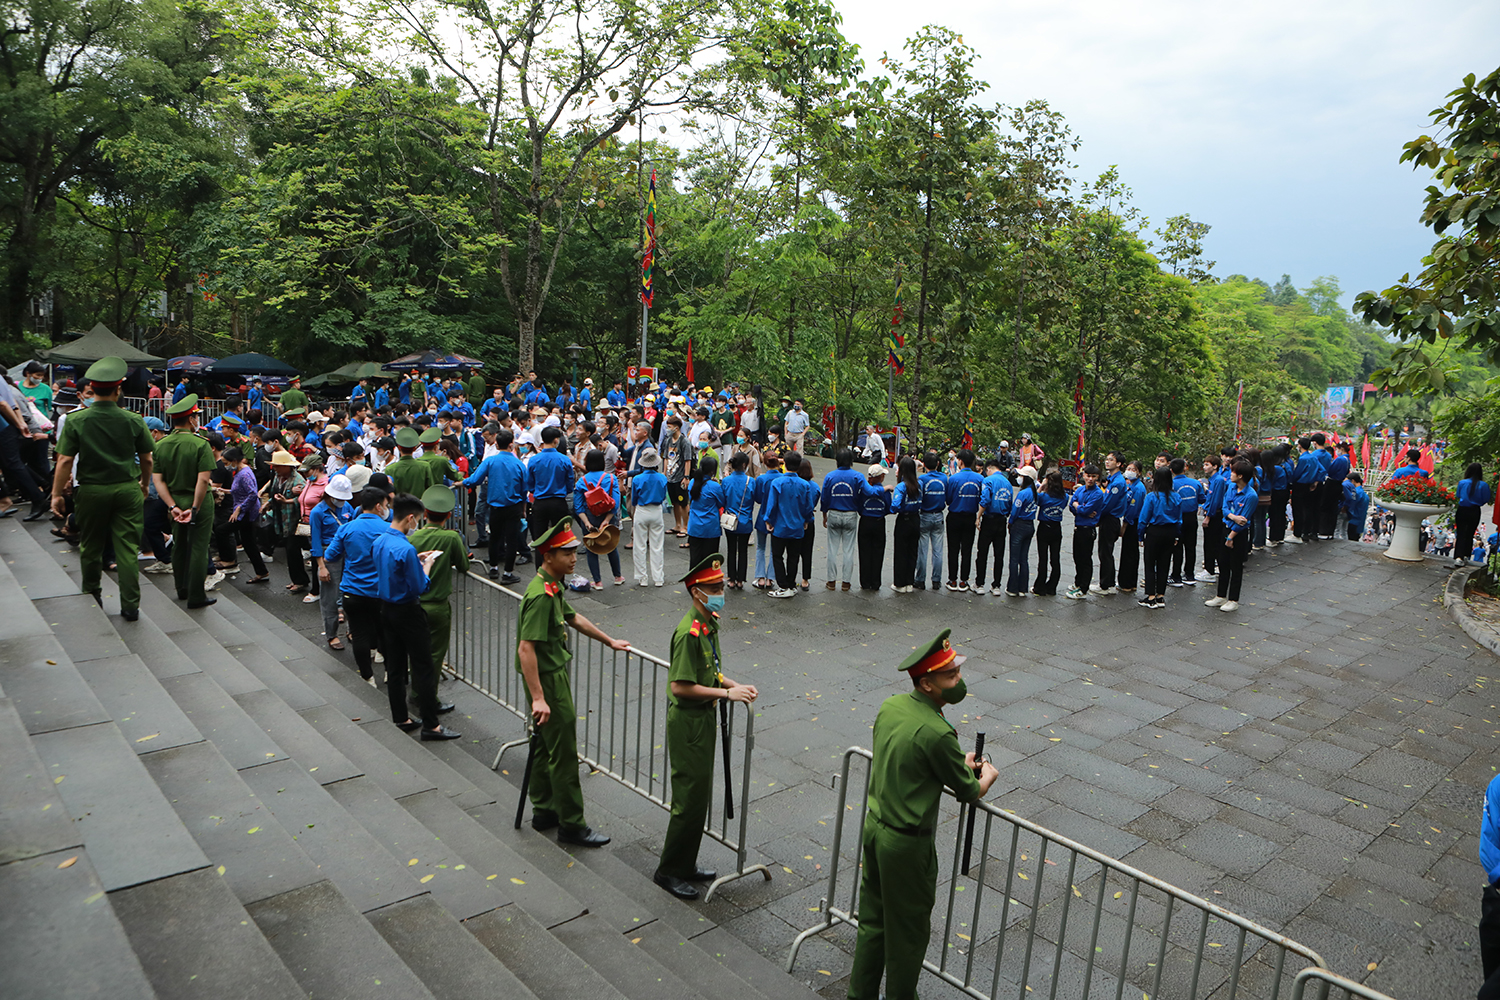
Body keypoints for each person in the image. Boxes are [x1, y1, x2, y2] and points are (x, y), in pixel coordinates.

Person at [847, 628, 1000, 1000]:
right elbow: (968, 790)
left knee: (872, 922)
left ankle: (859, 994)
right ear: (928, 684)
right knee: (908, 935)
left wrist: (951, 763)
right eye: (950, 676)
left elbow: (908, 757)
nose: (958, 681)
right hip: (906, 846)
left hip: (875, 828)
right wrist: (987, 777)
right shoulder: (937, 732)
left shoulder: (891, 707)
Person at [517, 518, 631, 846]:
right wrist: (539, 697)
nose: (574, 557)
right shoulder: (540, 595)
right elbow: (527, 648)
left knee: (543, 743)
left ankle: (544, 810)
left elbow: (572, 617)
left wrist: (609, 640)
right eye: (566, 552)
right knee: (564, 751)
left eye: (573, 551)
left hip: (550, 673)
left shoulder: (551, 585)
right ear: (547, 556)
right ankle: (572, 824)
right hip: (547, 679)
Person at [653, 555, 759, 900]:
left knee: (699, 798)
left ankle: (686, 862)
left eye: (721, 585)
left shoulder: (707, 623)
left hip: (703, 718)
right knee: (688, 799)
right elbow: (680, 686)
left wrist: (731, 684)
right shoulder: (689, 632)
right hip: (689, 722)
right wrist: (727, 692)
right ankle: (669, 870)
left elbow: (708, 671)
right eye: (714, 588)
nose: (721, 592)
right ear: (696, 592)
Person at [50, 358, 154, 620]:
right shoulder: (133, 420)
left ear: (91, 391)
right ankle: (130, 606)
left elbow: (63, 460)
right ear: (118, 390)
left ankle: (92, 594)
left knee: (91, 545)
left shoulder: (76, 420)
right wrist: (143, 483)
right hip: (127, 489)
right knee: (128, 550)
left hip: (91, 490)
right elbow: (148, 458)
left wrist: (55, 494)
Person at [373, 492, 459, 740]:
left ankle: (401, 716)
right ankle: (432, 726)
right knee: (423, 666)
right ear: (411, 518)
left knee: (396, 667)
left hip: (386, 608)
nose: (416, 524)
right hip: (408, 610)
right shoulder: (405, 548)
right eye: (417, 520)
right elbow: (420, 586)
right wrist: (426, 565)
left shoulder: (380, 541)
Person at [151, 394, 217, 609]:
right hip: (198, 500)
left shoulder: (162, 444)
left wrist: (172, 505)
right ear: (191, 419)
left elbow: (158, 480)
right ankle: (196, 595)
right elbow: (203, 479)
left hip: (174, 500)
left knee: (179, 545)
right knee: (198, 547)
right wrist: (195, 508)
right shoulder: (200, 444)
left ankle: (181, 588)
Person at [325, 486, 394, 684]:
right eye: (386, 504)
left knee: (359, 635)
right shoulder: (388, 529)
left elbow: (330, 555)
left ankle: (367, 677)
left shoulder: (347, 528)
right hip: (381, 592)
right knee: (385, 633)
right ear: (379, 506)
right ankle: (391, 672)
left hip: (352, 591)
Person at [409, 484, 469, 683]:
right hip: (438, 605)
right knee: (435, 654)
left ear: (425, 512)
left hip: (415, 604)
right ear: (449, 514)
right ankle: (427, 696)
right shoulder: (451, 537)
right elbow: (464, 565)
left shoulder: (413, 538)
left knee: (416, 651)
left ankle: (417, 688)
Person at [464, 428, 527, 582]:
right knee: (511, 539)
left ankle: (493, 569)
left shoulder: (490, 461)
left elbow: (475, 480)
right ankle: (508, 573)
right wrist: (523, 509)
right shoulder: (519, 464)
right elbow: (525, 489)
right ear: (511, 444)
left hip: (495, 507)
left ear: (497, 445)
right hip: (514, 506)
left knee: (495, 537)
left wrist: (462, 482)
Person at [762, 451, 818, 598]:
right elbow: (808, 507)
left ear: (784, 464)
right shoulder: (805, 485)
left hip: (780, 527)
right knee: (793, 557)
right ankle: (791, 583)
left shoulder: (777, 483)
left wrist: (768, 520)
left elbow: (772, 505)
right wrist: (807, 521)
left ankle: (783, 585)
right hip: (798, 527)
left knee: (777, 556)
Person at [1205, 459, 1257, 613]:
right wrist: (1233, 517)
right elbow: (1225, 509)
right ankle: (1220, 595)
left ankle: (1233, 599)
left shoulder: (1251, 495)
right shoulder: (1231, 487)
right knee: (1222, 563)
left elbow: (1244, 521)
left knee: (1236, 566)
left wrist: (1231, 537)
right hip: (1226, 528)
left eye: (1233, 472)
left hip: (1238, 534)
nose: (1230, 474)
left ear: (1241, 475)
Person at [312, 474, 355, 649]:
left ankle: (352, 629)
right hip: (328, 554)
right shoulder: (318, 512)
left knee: (352, 593)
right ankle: (331, 634)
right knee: (330, 597)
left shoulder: (347, 507)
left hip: (349, 553)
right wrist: (321, 567)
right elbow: (315, 542)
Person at [574, 449, 624, 588]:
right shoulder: (611, 478)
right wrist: (607, 520)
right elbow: (616, 503)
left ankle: (597, 581)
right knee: (611, 545)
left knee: (591, 549)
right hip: (607, 516)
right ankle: (618, 576)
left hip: (589, 516)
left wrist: (587, 523)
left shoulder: (581, 481)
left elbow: (578, 507)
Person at [1139, 466, 1181, 609]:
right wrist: (1176, 535)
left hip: (1155, 531)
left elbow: (1144, 518)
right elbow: (1179, 519)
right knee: (1164, 563)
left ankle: (1150, 596)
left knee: (1150, 563)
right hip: (1170, 532)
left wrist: (1140, 535)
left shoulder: (1152, 497)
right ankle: (1160, 595)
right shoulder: (1176, 497)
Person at [821, 448, 863, 591]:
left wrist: (824, 515)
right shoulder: (857, 476)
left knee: (832, 549)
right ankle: (846, 582)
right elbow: (865, 492)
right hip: (851, 514)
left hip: (834, 513)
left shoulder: (830, 476)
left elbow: (824, 497)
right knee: (848, 550)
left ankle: (831, 581)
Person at [944, 450, 983, 591]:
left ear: (960, 461)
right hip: (970, 516)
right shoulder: (979, 479)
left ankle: (952, 580)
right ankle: (963, 581)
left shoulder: (953, 479)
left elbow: (948, 499)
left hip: (954, 516)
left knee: (953, 549)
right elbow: (982, 499)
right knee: (967, 549)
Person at [1063, 464, 1103, 600]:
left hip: (1088, 529)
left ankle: (1083, 587)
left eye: (1093, 477)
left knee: (1085, 559)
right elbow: (1072, 506)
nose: (1090, 479)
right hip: (1078, 527)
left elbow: (1085, 510)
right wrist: (1079, 507)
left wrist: (1079, 507)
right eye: (1088, 476)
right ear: (1083, 475)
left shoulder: (1097, 494)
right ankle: (1078, 582)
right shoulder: (1080, 490)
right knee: (1077, 557)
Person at [631, 449, 669, 586]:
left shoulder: (637, 478)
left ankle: (642, 577)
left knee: (639, 545)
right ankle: (658, 577)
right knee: (657, 546)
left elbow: (634, 498)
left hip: (642, 510)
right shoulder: (662, 478)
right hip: (657, 511)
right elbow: (664, 496)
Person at [975, 456, 1011, 596]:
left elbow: (985, 499)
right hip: (1001, 520)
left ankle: (979, 583)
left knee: (982, 552)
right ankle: (996, 585)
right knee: (999, 554)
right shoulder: (1007, 483)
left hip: (989, 519)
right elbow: (1009, 503)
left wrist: (978, 516)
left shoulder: (988, 480)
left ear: (989, 469)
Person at [720, 452, 756, 589]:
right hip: (745, 520)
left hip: (730, 520)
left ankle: (731, 579)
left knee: (731, 549)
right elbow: (756, 498)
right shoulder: (750, 481)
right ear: (745, 465)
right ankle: (741, 579)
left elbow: (722, 499)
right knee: (743, 550)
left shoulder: (726, 481)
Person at [914, 451, 947, 591]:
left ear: (924, 465)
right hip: (939, 515)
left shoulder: (922, 480)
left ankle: (920, 579)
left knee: (922, 550)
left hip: (925, 515)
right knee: (938, 550)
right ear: (938, 464)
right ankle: (936, 580)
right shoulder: (945, 478)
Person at [751, 450, 784, 588]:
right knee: (774, 549)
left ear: (764, 463)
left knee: (760, 547)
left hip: (763, 514)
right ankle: (771, 577)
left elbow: (758, 498)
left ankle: (760, 577)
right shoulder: (782, 478)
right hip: (778, 517)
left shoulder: (761, 479)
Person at [1095, 451, 1128, 594]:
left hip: (1110, 519)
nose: (1107, 462)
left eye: (1111, 460)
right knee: (1105, 552)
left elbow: (1108, 504)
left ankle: (1105, 585)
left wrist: (1097, 518)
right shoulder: (1112, 479)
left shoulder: (1118, 482)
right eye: (1106, 459)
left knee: (1105, 552)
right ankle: (1108, 582)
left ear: (1119, 464)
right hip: (1109, 519)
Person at [1169, 458, 1205, 586]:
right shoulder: (1196, 483)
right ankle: (1189, 574)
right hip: (1192, 517)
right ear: (1185, 467)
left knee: (1177, 547)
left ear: (1171, 470)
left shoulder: (1171, 484)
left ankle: (1176, 576)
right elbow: (1202, 499)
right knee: (1191, 546)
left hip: (1177, 518)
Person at [685, 452, 724, 568]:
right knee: (710, 560)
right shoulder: (714, 486)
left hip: (694, 526)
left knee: (695, 557)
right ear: (713, 471)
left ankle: (694, 582)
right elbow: (721, 503)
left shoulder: (692, 482)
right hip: (711, 528)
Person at [889, 456, 922, 593]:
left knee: (901, 551)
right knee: (912, 551)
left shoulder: (901, 487)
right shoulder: (919, 485)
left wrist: (891, 509)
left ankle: (899, 583)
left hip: (904, 521)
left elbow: (895, 506)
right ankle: (909, 582)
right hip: (916, 520)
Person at [857, 464, 891, 591]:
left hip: (865, 521)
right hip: (879, 522)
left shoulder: (864, 491)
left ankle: (865, 582)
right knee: (878, 552)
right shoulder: (885, 492)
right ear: (881, 477)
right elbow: (889, 507)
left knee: (864, 552)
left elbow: (859, 506)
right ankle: (875, 582)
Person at [1006, 466, 1038, 597]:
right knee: (1023, 558)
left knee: (1014, 558)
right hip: (1029, 525)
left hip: (1019, 525)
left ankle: (1012, 587)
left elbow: (1015, 511)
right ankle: (1023, 588)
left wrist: (1010, 522)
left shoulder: (1023, 493)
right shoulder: (1034, 493)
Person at [1033, 470, 1065, 596]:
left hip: (1044, 526)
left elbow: (1035, 498)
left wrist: (1041, 486)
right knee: (1055, 558)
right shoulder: (1064, 497)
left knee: (1043, 558)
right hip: (1057, 528)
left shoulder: (1044, 497)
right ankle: (1052, 586)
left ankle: (1040, 586)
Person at [1289, 437, 1324, 543]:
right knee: (1308, 509)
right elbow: (1322, 470)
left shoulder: (1303, 459)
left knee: (1298, 510)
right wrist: (1315, 481)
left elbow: (1297, 473)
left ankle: (1297, 533)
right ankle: (1306, 532)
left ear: (1300, 445)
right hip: (1309, 485)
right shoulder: (1313, 457)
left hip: (1300, 485)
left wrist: (1292, 481)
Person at [1118, 461, 1146, 594]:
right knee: (1130, 553)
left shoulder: (1138, 488)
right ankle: (1130, 582)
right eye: (1128, 468)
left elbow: (1133, 510)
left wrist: (1125, 524)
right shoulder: (1131, 485)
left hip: (1132, 523)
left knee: (1129, 554)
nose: (1130, 471)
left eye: (1133, 469)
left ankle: (1127, 583)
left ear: (1139, 472)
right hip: (1131, 522)